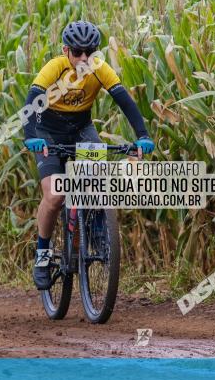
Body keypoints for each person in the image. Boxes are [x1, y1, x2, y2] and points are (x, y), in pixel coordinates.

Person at [22, 21, 155, 290]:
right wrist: (31, 136)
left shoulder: (99, 69)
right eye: (78, 51)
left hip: (81, 129)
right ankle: (42, 254)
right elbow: (31, 101)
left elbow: (125, 101)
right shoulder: (55, 67)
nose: (84, 58)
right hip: (47, 130)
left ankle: (95, 229)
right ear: (66, 50)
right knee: (55, 195)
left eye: (90, 51)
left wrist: (142, 135)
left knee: (94, 179)